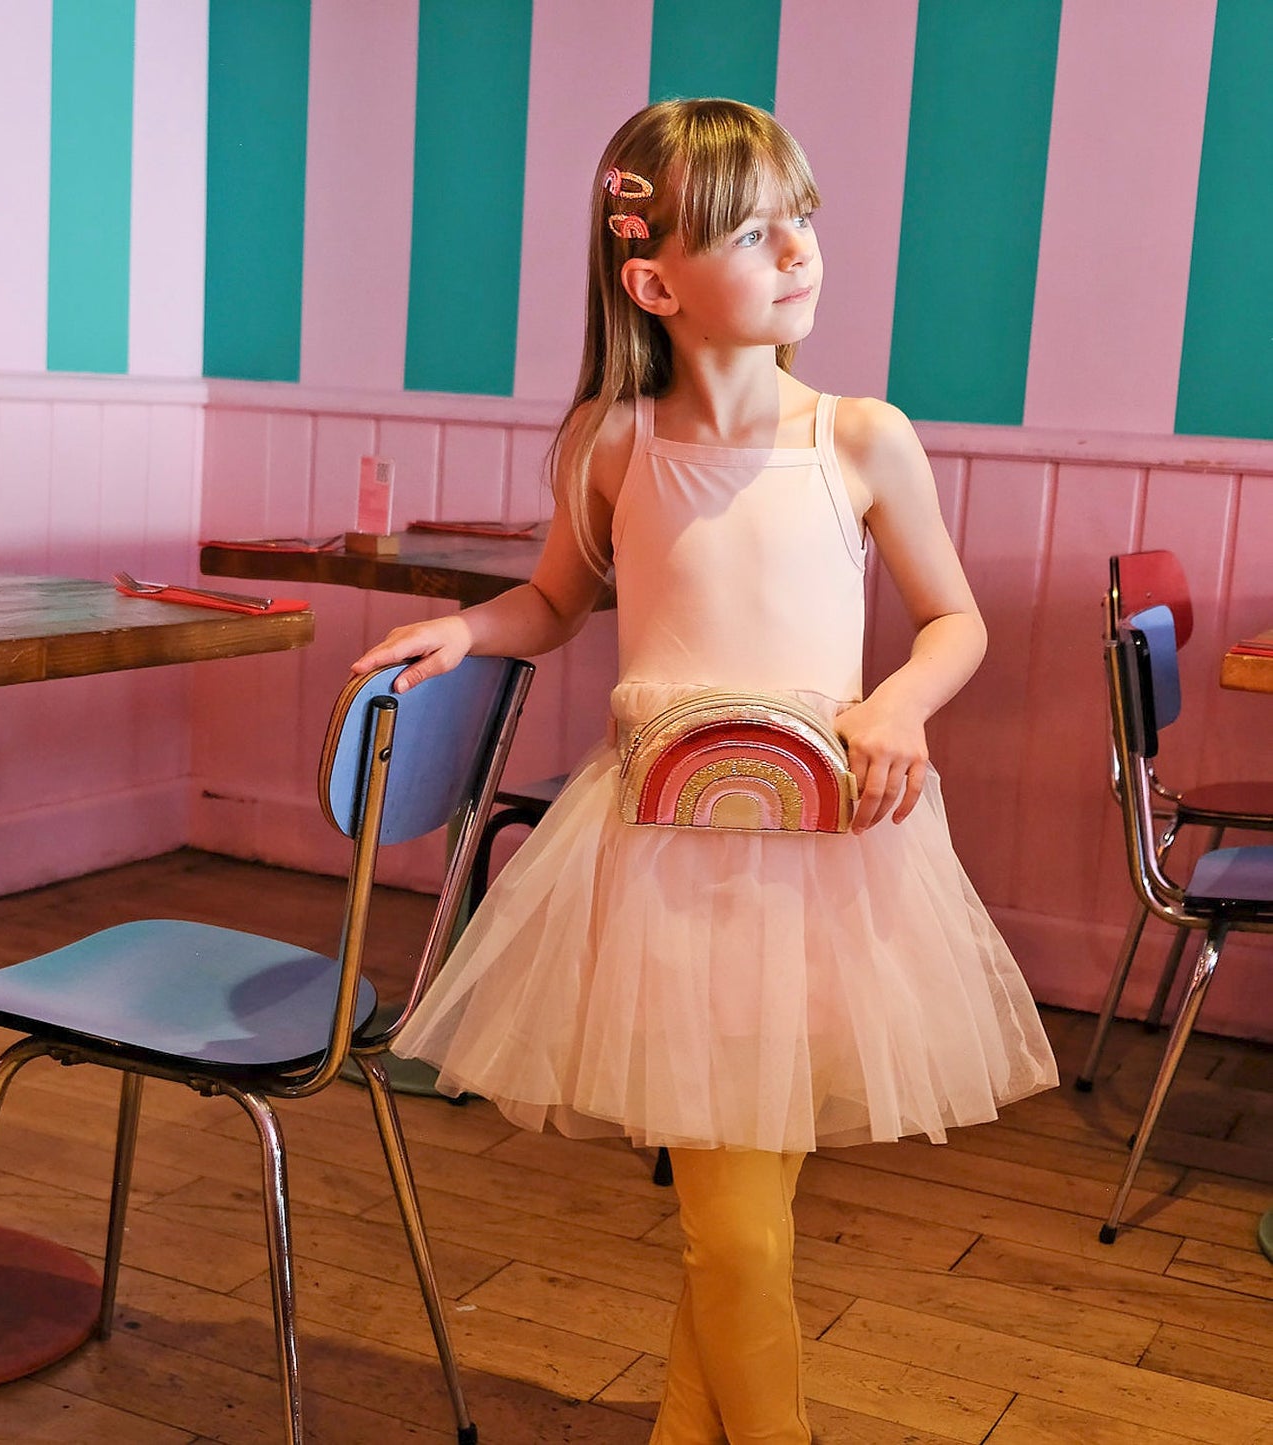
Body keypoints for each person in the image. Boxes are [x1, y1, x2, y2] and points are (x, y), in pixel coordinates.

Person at [350, 98, 1058, 1445]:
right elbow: (557, 603)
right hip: (665, 858)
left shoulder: (859, 435)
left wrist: (900, 704)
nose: (797, 250)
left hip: (828, 856)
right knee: (734, 1224)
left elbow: (954, 621)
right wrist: (469, 627)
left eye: (803, 219)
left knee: (741, 1218)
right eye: (750, 231)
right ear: (654, 284)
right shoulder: (613, 442)